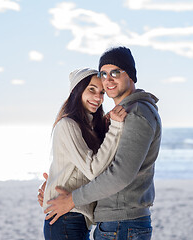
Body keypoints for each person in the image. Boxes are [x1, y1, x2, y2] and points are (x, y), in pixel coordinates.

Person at [40, 46, 162, 240]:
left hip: (121, 222)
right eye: (104, 74)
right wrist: (52, 187)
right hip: (110, 222)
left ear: (130, 75)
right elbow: (96, 167)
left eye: (115, 72)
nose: (108, 80)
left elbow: (118, 175)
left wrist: (70, 200)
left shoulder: (134, 113)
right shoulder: (114, 118)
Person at [41, 67, 127, 240]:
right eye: (92, 90)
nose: (98, 97)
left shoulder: (91, 128)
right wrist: (116, 128)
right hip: (66, 219)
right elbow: (92, 169)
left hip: (77, 219)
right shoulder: (68, 124)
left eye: (102, 92)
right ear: (76, 91)